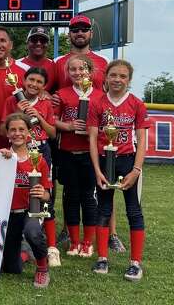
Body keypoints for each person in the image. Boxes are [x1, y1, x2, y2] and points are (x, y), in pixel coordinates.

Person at [88, 60, 149, 281]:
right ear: (106, 77)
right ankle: (102, 258)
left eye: (123, 76)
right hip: (106, 162)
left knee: (134, 210)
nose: (117, 80)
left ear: (129, 80)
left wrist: (136, 170)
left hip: (128, 162)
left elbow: (142, 140)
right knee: (103, 209)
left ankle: (135, 263)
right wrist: (97, 169)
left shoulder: (137, 104)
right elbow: (93, 138)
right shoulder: (97, 103)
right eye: (113, 75)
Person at [54, 55, 102, 258]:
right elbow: (52, 119)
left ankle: (88, 242)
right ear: (67, 73)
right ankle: (74, 242)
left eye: (82, 69)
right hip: (68, 151)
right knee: (71, 196)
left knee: (88, 198)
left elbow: (106, 121)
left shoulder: (100, 95)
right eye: (73, 69)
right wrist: (68, 126)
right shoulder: (62, 94)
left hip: (90, 154)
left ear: (90, 71)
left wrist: (93, 130)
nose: (78, 73)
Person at [0, 113, 52, 288]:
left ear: (29, 132)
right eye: (12, 130)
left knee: (32, 232)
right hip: (8, 214)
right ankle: (25, 253)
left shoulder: (39, 160)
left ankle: (42, 268)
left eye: (21, 129)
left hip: (30, 211)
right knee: (11, 268)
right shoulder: (0, 157)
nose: (17, 133)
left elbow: (47, 195)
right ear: (7, 134)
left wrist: (40, 192)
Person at [1, 67, 56, 167]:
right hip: (19, 146)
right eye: (31, 79)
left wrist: (39, 117)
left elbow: (52, 134)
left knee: (41, 180)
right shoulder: (11, 101)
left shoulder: (46, 103)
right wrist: (18, 113)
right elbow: (2, 132)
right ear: (24, 80)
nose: (34, 84)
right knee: (18, 180)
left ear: (44, 86)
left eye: (39, 82)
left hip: (41, 147)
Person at [55, 15, 108, 90]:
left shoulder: (104, 61)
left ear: (91, 34)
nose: (80, 33)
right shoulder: (57, 62)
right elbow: (46, 90)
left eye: (84, 30)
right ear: (69, 35)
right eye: (75, 30)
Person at [16, 27, 56, 94]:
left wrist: (50, 96)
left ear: (48, 44)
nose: (38, 43)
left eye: (43, 40)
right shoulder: (16, 64)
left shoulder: (54, 65)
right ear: (27, 43)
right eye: (34, 40)